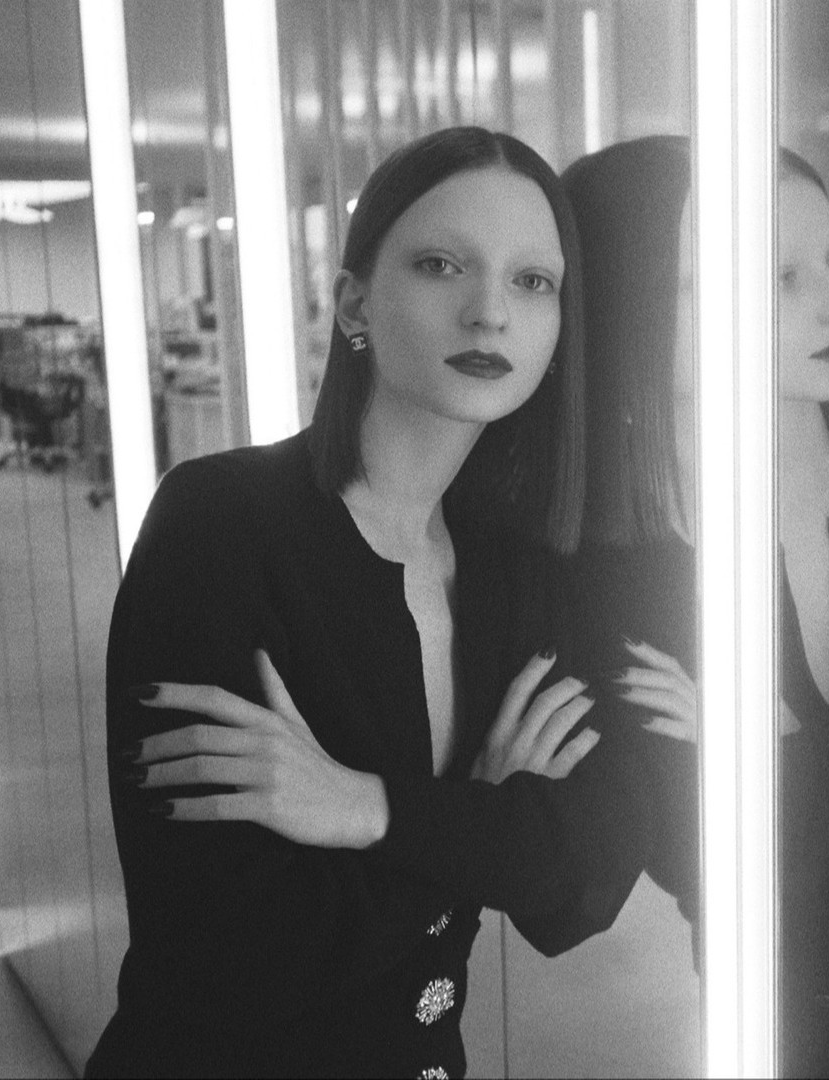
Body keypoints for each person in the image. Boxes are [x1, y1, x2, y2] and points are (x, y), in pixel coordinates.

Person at [85, 126, 642, 1080]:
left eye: (531, 282)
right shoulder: (220, 523)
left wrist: (367, 809)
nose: (489, 314)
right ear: (354, 302)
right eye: (440, 265)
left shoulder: (519, 564)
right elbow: (231, 953)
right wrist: (481, 817)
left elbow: (583, 890)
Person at [560, 136, 829, 1077]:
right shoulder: (612, 568)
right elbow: (703, 854)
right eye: (779, 279)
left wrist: (777, 759)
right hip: (797, 1023)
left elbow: (780, 813)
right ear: (636, 309)